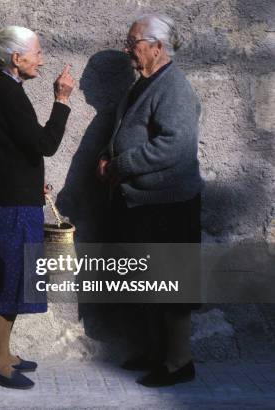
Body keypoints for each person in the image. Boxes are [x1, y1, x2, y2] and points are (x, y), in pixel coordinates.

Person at [96, 14, 203, 387]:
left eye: (133, 43)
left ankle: (178, 362)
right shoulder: (142, 85)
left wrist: (120, 164)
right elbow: (127, 130)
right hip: (140, 202)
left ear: (158, 47)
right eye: (128, 43)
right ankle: (155, 352)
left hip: (167, 205)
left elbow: (175, 144)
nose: (128, 49)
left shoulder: (174, 87)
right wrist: (107, 157)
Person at [0, 25, 75, 389]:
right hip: (11, 207)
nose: (42, 60)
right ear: (17, 59)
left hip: (8, 198)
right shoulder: (7, 94)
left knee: (8, 277)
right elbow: (45, 143)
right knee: (11, 279)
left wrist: (31, 181)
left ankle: (1, 352)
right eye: (37, 53)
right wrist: (62, 100)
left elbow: (10, 151)